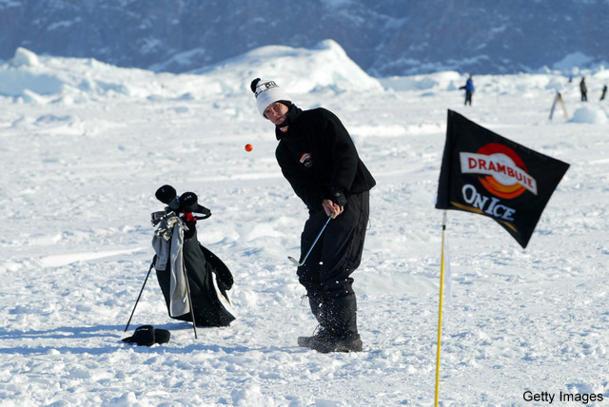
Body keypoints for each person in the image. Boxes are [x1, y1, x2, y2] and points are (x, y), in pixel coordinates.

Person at [250, 78, 376, 353]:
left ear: (286, 102)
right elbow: (302, 186)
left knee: (335, 269)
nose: (273, 113)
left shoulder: (320, 119)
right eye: (267, 112)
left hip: (350, 195)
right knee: (308, 269)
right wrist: (321, 201)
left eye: (276, 106)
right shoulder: (283, 150)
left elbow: (346, 155)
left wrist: (338, 193)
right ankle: (329, 330)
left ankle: (346, 336)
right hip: (321, 206)